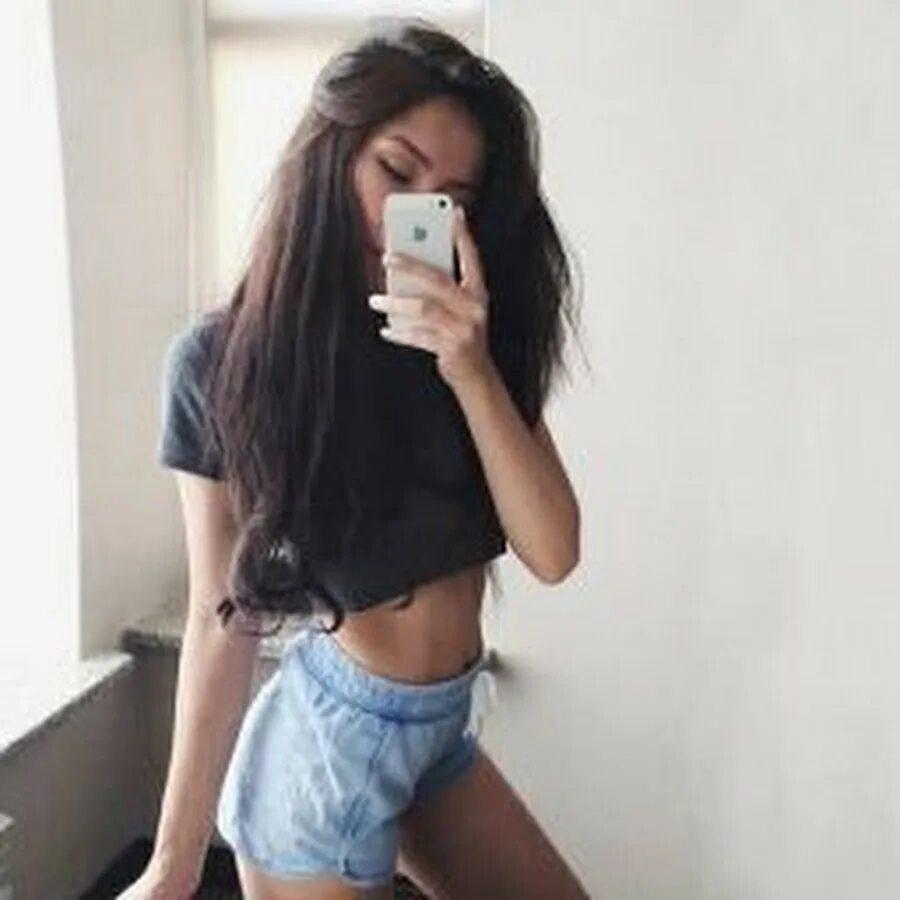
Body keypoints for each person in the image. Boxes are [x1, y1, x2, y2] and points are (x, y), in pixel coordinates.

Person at [124, 16, 588, 900]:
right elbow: (222, 613)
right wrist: (173, 862)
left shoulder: (466, 345)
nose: (412, 212)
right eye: (396, 172)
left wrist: (471, 368)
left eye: (451, 197)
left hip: (437, 733)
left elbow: (554, 550)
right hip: (325, 750)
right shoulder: (222, 362)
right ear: (330, 159)